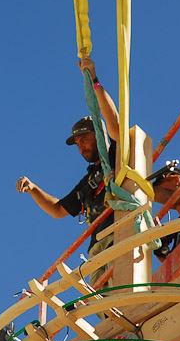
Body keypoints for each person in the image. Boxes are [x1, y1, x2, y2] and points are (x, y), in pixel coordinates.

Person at [16, 56, 119, 287]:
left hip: (119, 230)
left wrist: (94, 80)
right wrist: (33, 188)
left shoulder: (117, 156)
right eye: (77, 142)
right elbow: (57, 209)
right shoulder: (88, 182)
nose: (81, 146)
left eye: (85, 139)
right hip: (97, 245)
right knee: (102, 303)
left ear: (100, 136)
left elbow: (114, 123)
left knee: (122, 288)